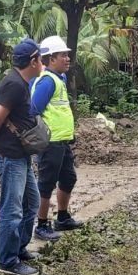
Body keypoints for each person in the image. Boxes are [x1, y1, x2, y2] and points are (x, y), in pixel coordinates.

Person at [0, 38, 43, 275]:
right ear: (33, 61)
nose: (42, 62)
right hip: (9, 155)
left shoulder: (22, 83)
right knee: (12, 210)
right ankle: (7, 261)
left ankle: (19, 248)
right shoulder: (13, 84)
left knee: (31, 203)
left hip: (20, 155)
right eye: (41, 58)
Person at [31, 36, 82, 242]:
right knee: (46, 184)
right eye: (63, 55)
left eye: (67, 55)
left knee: (68, 178)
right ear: (51, 59)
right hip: (50, 143)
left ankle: (62, 216)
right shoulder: (47, 81)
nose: (68, 59)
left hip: (62, 141)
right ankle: (42, 225)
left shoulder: (58, 78)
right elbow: (34, 109)